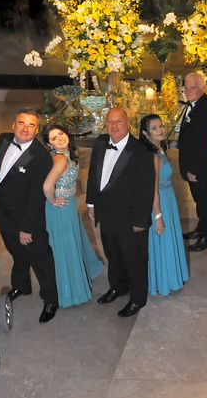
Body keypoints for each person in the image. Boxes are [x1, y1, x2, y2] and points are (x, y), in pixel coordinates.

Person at [0, 108, 59, 323]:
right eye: (22, 123)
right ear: (13, 124)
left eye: (31, 125)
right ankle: (21, 286)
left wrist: (27, 228)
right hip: (3, 213)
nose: (25, 129)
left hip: (27, 219)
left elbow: (36, 198)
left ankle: (51, 299)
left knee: (40, 259)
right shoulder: (3, 140)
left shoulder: (41, 158)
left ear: (37, 130)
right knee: (17, 254)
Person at [87, 107, 157, 318]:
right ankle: (118, 287)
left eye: (119, 121)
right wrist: (91, 203)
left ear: (128, 123)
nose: (114, 125)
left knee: (134, 259)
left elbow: (146, 190)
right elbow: (93, 175)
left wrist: (140, 221)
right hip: (106, 214)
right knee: (113, 255)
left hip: (130, 218)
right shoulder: (101, 142)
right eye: (110, 121)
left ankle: (138, 298)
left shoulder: (142, 151)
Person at [41, 124, 103, 308]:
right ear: (49, 145)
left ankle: (75, 283)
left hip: (68, 206)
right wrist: (53, 201)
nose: (60, 138)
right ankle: (70, 291)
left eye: (61, 133)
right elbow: (47, 186)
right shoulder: (60, 159)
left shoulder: (67, 155)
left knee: (71, 243)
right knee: (65, 247)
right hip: (60, 209)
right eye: (53, 138)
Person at [142, 114, 189, 295]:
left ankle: (169, 277)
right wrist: (158, 216)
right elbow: (152, 190)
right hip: (159, 202)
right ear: (145, 133)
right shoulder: (153, 156)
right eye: (154, 128)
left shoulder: (161, 148)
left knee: (168, 239)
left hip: (168, 199)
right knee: (162, 239)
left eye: (161, 126)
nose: (160, 130)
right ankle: (163, 280)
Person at [178, 71, 207, 253]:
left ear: (202, 89)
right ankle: (201, 229)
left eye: (192, 88)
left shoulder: (205, 110)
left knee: (205, 203)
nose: (188, 91)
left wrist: (195, 171)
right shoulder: (195, 105)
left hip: (200, 169)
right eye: (186, 87)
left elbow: (204, 146)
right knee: (199, 202)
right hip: (193, 165)